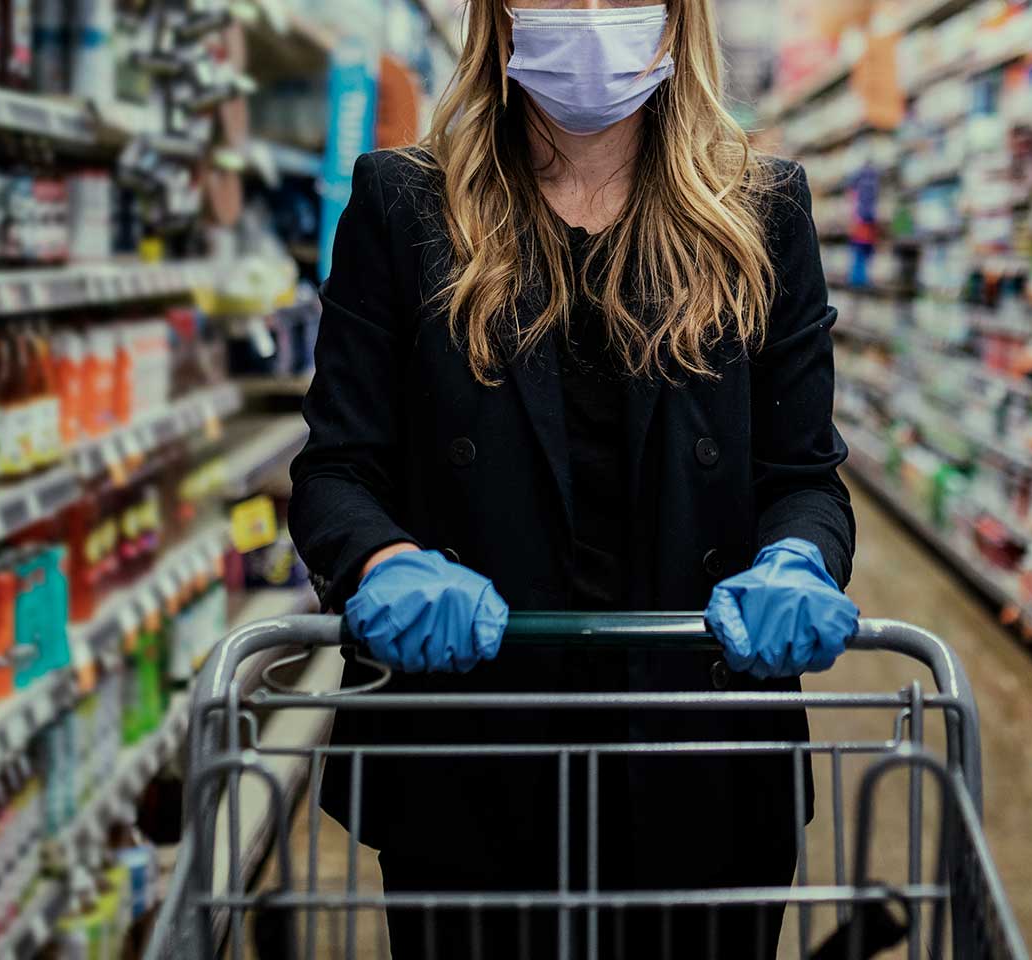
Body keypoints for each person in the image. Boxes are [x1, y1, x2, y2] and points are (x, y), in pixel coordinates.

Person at [287, 0, 859, 954]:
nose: (590, 17)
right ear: (498, 17)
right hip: (471, 758)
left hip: (701, 760)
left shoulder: (761, 213)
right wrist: (384, 559)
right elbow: (337, 468)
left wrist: (798, 557)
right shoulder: (402, 203)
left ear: (678, 21)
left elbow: (804, 474)